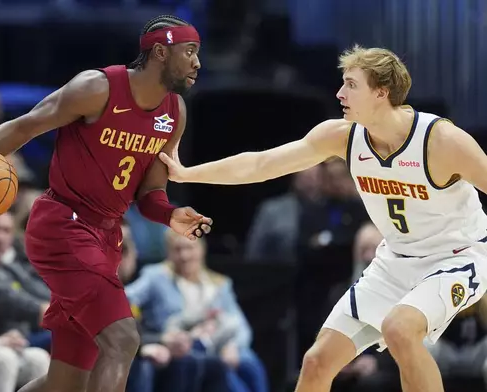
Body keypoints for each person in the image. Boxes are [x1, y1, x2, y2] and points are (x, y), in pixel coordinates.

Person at [158, 44, 487, 392]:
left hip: (456, 257)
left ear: (381, 92)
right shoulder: (342, 136)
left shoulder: (441, 141)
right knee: (316, 362)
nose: (339, 93)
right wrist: (187, 174)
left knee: (400, 329)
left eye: (351, 85)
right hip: (396, 261)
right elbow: (261, 164)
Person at [0, 14, 212, 392]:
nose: (198, 62)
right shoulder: (96, 87)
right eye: (191, 51)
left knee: (65, 383)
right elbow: (25, 125)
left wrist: (170, 215)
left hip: (106, 237)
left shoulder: (174, 114)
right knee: (124, 339)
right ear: (161, 52)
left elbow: (150, 196)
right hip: (63, 225)